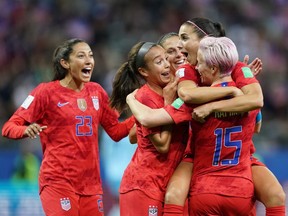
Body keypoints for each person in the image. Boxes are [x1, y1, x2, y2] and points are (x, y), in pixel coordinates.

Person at [127, 18, 286, 216]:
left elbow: (256, 101)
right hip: (208, 156)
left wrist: (211, 106)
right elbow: (253, 109)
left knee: (276, 195)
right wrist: (235, 92)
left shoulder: (227, 68)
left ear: (206, 41)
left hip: (230, 158)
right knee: (175, 195)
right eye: (170, 51)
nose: (180, 49)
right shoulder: (195, 72)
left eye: (184, 39)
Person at [1, 38, 135, 216]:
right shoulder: (45, 92)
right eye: (81, 56)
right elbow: (8, 127)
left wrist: (143, 114)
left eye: (91, 56)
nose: (89, 61)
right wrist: (25, 130)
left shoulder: (96, 92)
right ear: (65, 63)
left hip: (91, 186)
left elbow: (116, 132)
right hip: (58, 182)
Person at [109, 41, 189, 215]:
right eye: (159, 62)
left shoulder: (169, 90)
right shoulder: (146, 97)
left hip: (163, 184)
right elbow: (162, 145)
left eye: (166, 59)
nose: (167, 64)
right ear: (144, 71)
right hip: (143, 186)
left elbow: (133, 135)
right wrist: (169, 104)